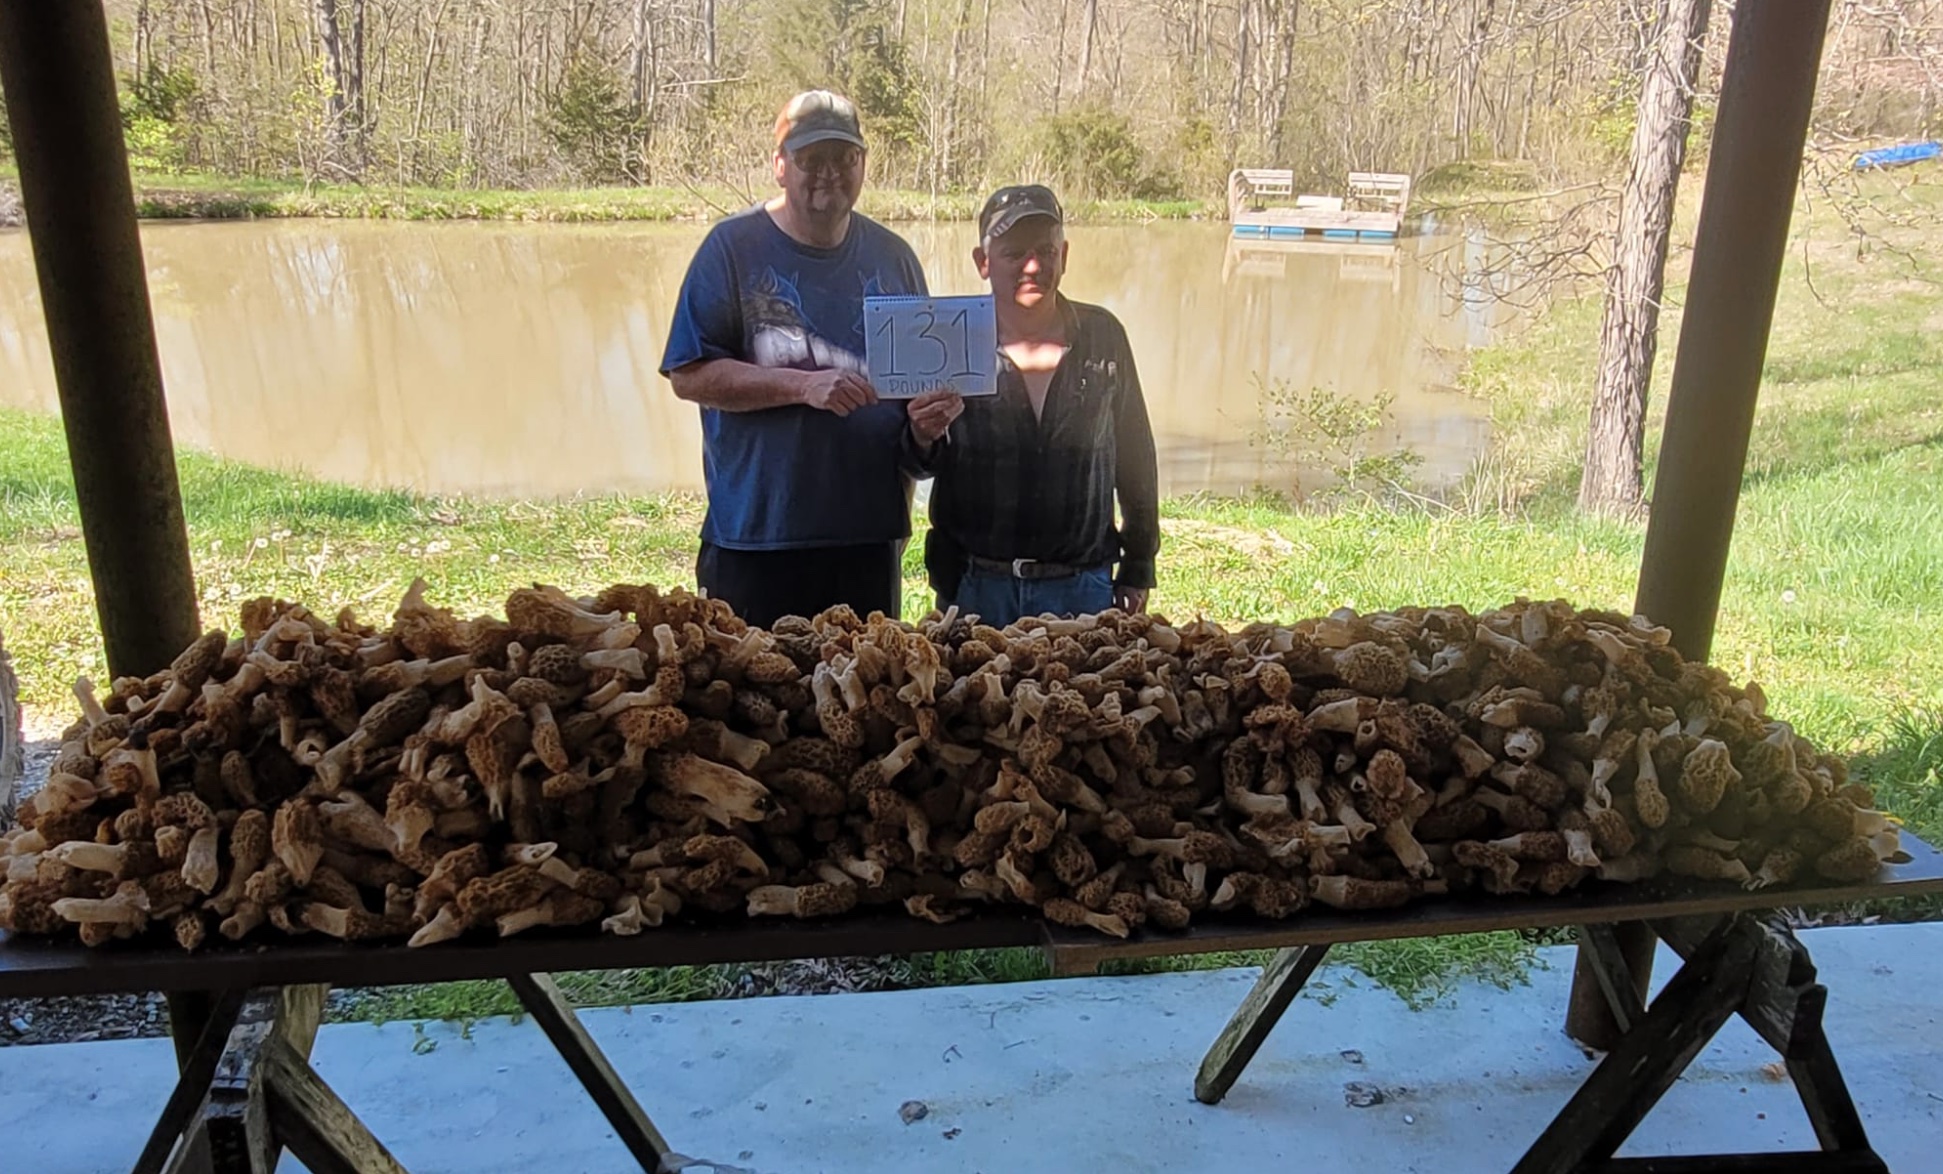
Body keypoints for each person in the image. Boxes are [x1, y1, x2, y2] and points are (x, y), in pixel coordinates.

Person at [659, 90, 963, 627]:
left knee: (860, 699)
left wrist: (925, 429)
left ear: (863, 164)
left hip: (867, 541)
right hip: (757, 540)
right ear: (780, 166)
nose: (829, 173)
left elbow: (917, 407)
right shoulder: (730, 249)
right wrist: (801, 386)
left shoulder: (895, 258)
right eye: (810, 159)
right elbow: (689, 374)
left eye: (844, 158)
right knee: (756, 702)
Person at [924, 184, 1159, 626]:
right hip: (975, 586)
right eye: (1014, 253)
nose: (1033, 266)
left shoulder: (1104, 335)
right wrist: (920, 434)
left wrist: (1139, 565)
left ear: (1064, 255)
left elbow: (1136, 459)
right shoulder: (947, 338)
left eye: (1046, 251)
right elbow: (918, 461)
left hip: (1083, 586)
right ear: (983, 262)